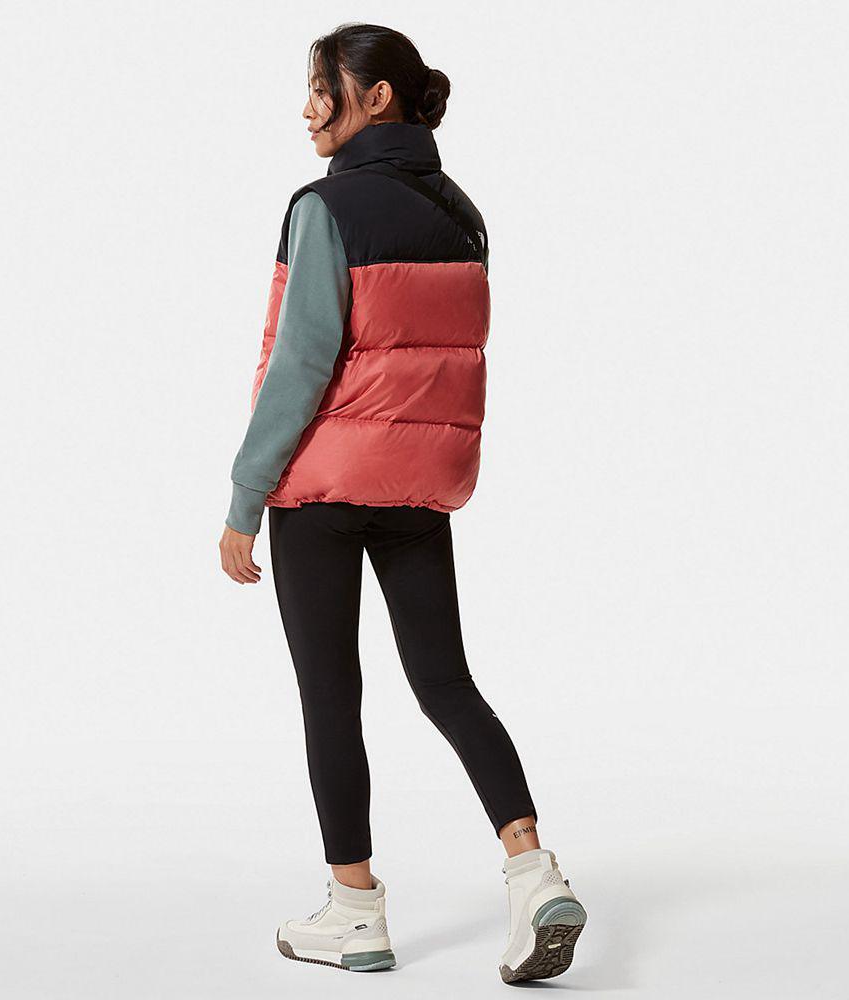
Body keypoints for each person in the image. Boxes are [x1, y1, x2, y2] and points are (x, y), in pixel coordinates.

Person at [219, 23, 587, 984]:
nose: (308, 109)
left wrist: (246, 496)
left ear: (374, 96)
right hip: (420, 489)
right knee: (446, 682)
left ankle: (354, 910)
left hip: (323, 488)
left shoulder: (324, 207)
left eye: (322, 88)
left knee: (330, 694)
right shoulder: (462, 213)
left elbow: (301, 363)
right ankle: (533, 872)